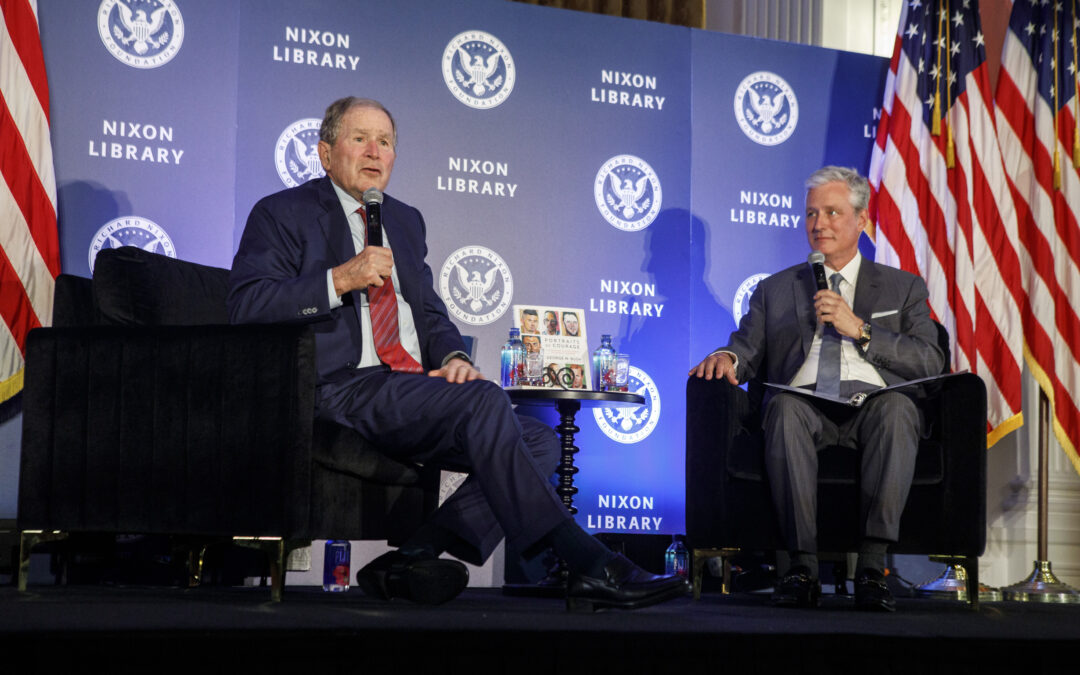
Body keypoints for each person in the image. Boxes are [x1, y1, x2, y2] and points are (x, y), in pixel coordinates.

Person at [229, 96, 686, 610]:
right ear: (326, 152)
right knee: (489, 403)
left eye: (385, 141)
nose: (375, 151)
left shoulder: (404, 220)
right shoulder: (282, 213)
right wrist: (340, 279)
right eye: (359, 139)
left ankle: (413, 555)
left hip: (404, 386)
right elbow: (247, 304)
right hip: (339, 387)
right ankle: (588, 564)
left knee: (537, 438)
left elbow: (429, 314)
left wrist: (451, 357)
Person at [689, 166, 944, 612]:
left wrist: (860, 330)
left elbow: (929, 360)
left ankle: (871, 568)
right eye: (811, 214)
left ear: (862, 220)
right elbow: (745, 350)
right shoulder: (776, 289)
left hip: (875, 405)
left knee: (899, 410)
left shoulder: (903, 288)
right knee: (783, 408)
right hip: (805, 406)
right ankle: (801, 567)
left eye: (831, 212)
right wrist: (725, 358)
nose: (819, 224)